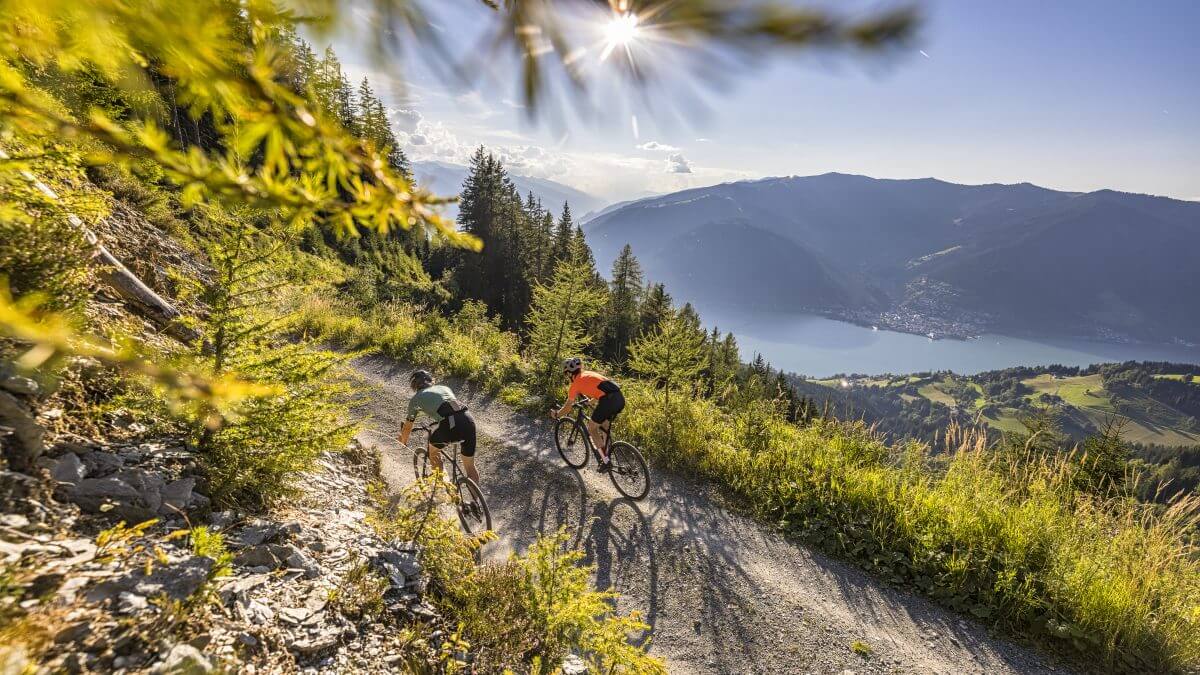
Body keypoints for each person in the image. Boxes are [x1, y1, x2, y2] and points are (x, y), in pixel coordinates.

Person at [399, 370, 480, 486]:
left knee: (433, 450)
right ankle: (475, 502)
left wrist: (403, 441)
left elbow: (407, 427)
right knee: (470, 468)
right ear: (431, 381)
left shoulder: (416, 399)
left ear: (414, 386)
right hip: (468, 419)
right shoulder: (444, 388)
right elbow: (450, 407)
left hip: (451, 423)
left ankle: (444, 489)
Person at [550, 358, 625, 471]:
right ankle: (607, 453)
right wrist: (591, 401)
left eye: (567, 375)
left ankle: (605, 461)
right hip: (619, 397)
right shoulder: (588, 374)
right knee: (604, 424)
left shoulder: (575, 384)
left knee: (592, 428)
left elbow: (567, 407)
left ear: (569, 373)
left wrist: (557, 414)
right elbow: (602, 389)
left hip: (608, 400)